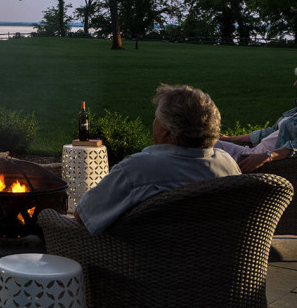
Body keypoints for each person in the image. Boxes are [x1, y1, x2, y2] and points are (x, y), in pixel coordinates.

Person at [74, 84, 241, 235]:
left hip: (142, 266)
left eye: (156, 118)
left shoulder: (137, 171)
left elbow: (83, 216)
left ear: (166, 131)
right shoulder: (228, 165)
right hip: (219, 264)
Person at [214, 67, 297, 172]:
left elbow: (294, 147)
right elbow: (267, 133)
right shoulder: (294, 111)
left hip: (261, 164)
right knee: (205, 143)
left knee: (203, 154)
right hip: (250, 152)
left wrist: (267, 156)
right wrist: (230, 138)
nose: (295, 84)